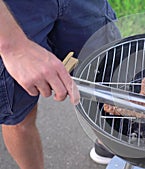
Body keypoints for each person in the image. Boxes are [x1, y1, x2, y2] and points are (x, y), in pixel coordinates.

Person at [0, 0, 116, 168]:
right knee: (20, 114)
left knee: (103, 71)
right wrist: (12, 46)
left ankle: (105, 144)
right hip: (12, 11)